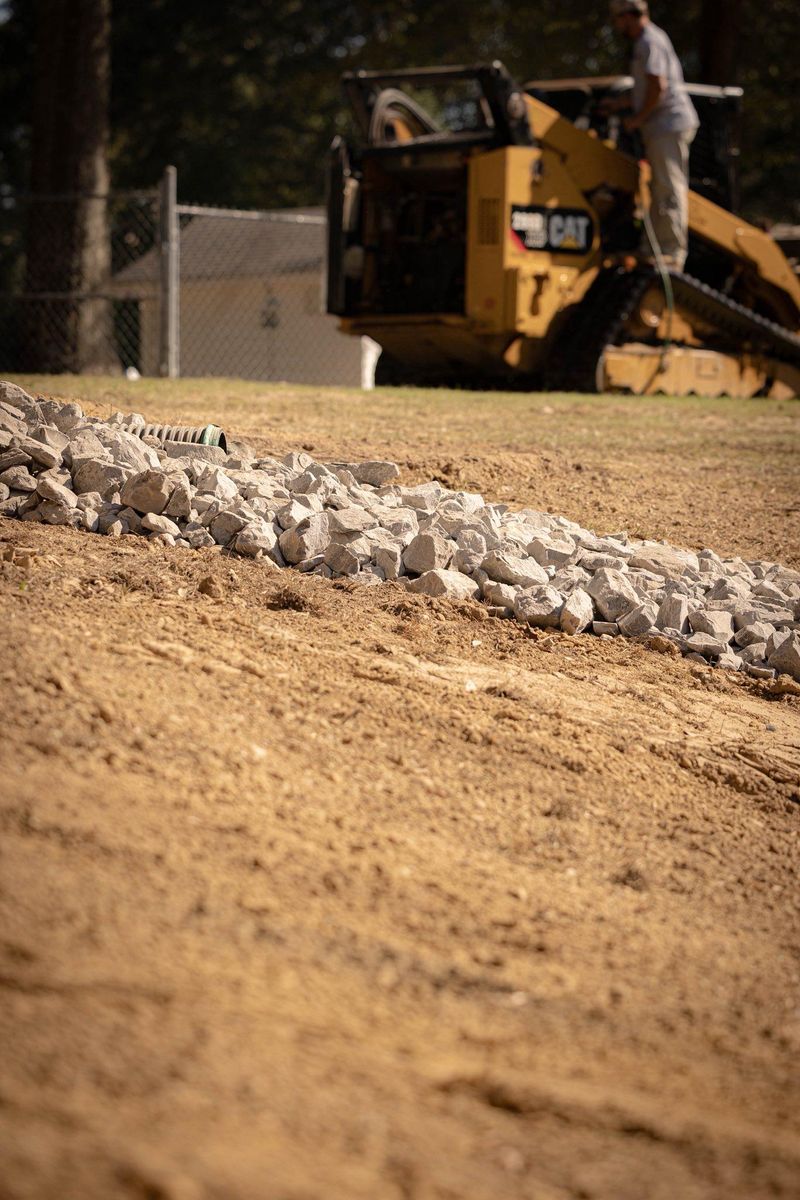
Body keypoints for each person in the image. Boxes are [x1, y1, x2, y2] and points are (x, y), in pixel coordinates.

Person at [605, 0, 699, 270]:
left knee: (669, 186)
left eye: (619, 20)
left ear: (629, 16)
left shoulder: (650, 41)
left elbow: (658, 86)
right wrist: (620, 104)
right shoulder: (644, 43)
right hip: (660, 125)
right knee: (658, 187)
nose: (618, 26)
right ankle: (654, 248)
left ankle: (672, 252)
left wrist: (637, 119)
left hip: (668, 124)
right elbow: (646, 89)